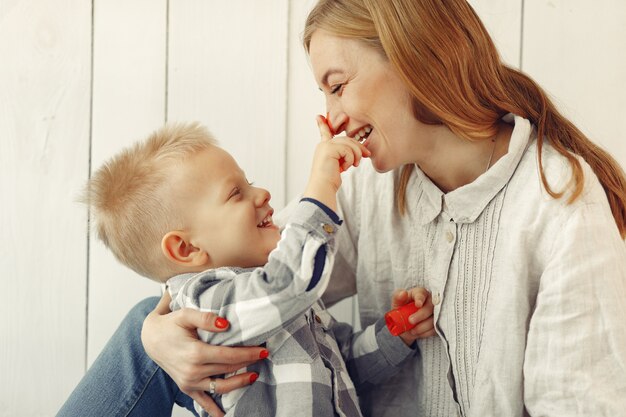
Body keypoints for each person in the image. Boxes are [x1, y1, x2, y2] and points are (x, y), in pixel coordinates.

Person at [60, 0, 626, 416]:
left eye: (336, 85)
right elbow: (263, 282)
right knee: (151, 320)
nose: (329, 119)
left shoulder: (561, 206)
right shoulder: (369, 184)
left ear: (414, 59)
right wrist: (156, 338)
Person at [59, 121, 435, 417]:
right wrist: (321, 186)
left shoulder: (273, 296)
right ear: (187, 249)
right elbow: (290, 280)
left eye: (249, 183)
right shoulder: (208, 303)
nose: (263, 194)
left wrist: (391, 335)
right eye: (236, 193)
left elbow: (340, 367)